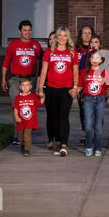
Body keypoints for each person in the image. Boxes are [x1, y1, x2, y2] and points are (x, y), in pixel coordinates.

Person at [37, 27, 79, 156]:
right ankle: (56, 141)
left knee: (63, 117)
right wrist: (40, 88)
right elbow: (43, 71)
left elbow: (75, 71)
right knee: (53, 116)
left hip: (66, 89)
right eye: (59, 35)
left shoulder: (72, 52)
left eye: (64, 35)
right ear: (56, 37)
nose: (62, 38)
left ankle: (64, 144)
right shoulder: (49, 52)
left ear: (68, 38)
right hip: (51, 88)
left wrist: (75, 87)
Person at [2, 20, 42, 145]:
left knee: (29, 107)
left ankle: (27, 133)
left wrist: (40, 80)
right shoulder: (14, 45)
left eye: (29, 30)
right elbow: (6, 62)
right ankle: (17, 136)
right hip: (15, 80)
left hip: (31, 79)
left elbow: (44, 61)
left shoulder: (35, 45)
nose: (27, 32)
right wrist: (3, 79)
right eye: (24, 30)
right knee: (16, 107)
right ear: (19, 31)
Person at [76, 50, 109, 157]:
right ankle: (89, 146)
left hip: (100, 99)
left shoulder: (103, 71)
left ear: (101, 60)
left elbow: (108, 86)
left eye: (97, 58)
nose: (95, 60)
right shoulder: (84, 71)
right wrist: (74, 91)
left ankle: (98, 147)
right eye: (93, 58)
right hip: (88, 99)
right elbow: (80, 86)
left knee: (98, 126)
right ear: (90, 59)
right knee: (88, 125)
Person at [13, 78, 45, 156]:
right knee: (20, 136)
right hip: (21, 121)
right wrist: (16, 117)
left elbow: (40, 103)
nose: (25, 87)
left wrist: (43, 97)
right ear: (20, 87)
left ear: (31, 86)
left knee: (27, 135)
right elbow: (15, 108)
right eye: (23, 85)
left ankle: (27, 150)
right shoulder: (18, 98)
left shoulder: (33, 96)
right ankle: (23, 145)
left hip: (30, 121)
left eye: (27, 85)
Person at [75, 25, 96, 145]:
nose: (87, 35)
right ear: (80, 35)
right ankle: (86, 133)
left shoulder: (95, 48)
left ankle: (93, 133)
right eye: (84, 33)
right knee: (83, 110)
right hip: (80, 83)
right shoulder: (76, 49)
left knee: (94, 110)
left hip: (93, 83)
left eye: (89, 33)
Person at [45, 31, 56, 150]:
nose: (52, 41)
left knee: (58, 115)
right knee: (50, 115)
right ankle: (50, 139)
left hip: (57, 87)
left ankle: (57, 138)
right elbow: (40, 73)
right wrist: (40, 88)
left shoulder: (60, 53)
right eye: (50, 39)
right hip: (47, 87)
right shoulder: (46, 53)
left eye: (54, 39)